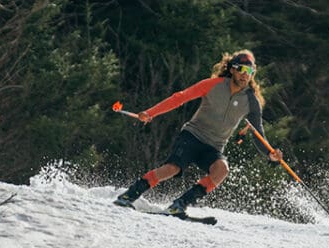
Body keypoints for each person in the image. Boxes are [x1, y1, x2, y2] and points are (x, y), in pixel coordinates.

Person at [113, 49, 283, 215]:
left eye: (250, 71)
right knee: (172, 168)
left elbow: (257, 132)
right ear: (232, 69)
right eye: (242, 69)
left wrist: (270, 154)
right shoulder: (213, 85)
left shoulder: (252, 101)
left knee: (221, 170)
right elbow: (179, 98)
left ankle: (180, 204)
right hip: (192, 136)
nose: (246, 75)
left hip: (214, 146)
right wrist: (150, 113)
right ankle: (129, 195)